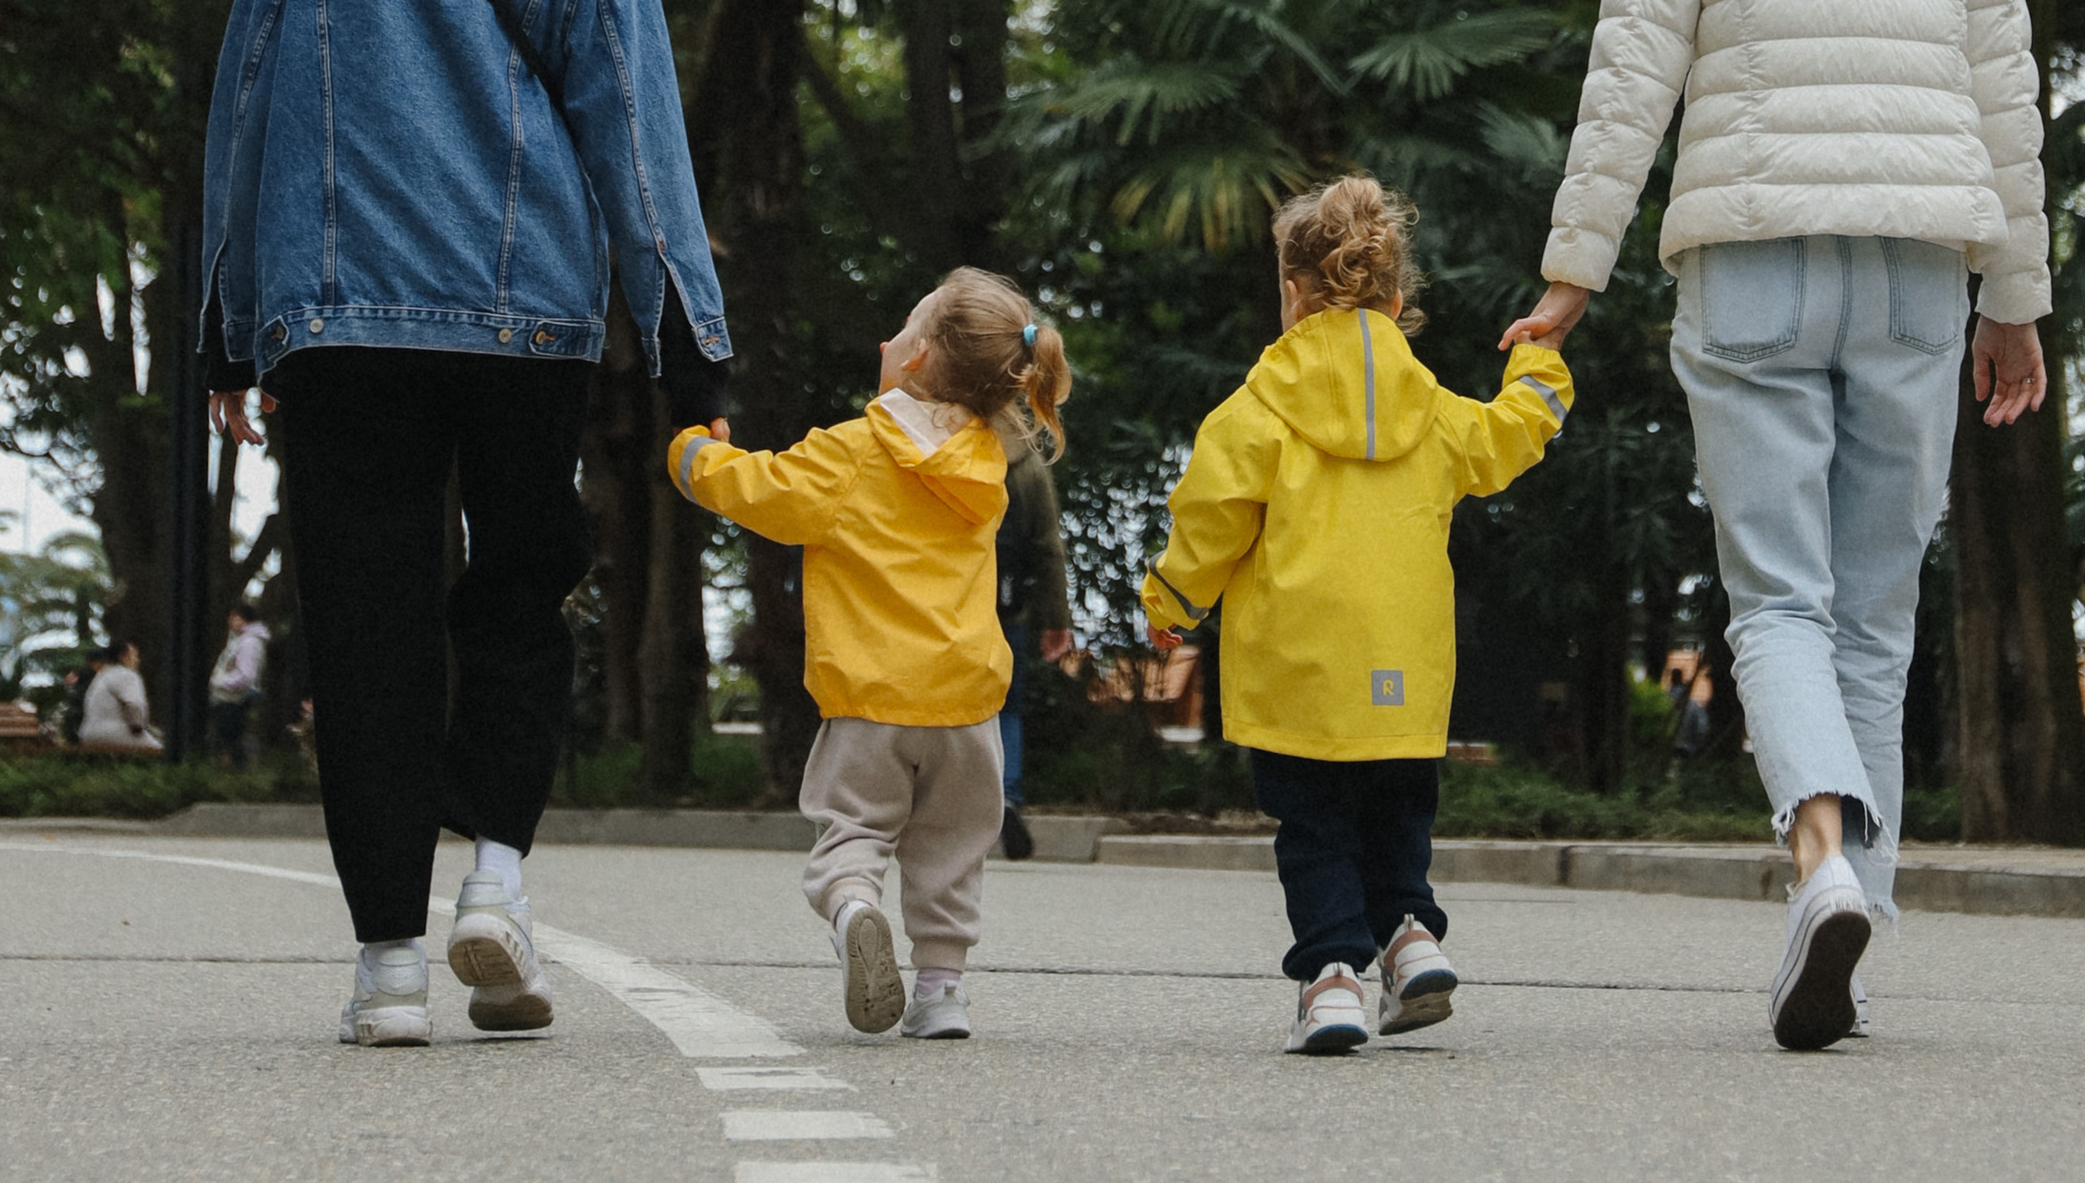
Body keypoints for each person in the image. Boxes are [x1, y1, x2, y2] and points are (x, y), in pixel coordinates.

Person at [1503, 0, 2052, 1055]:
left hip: (1750, 263)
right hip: (1920, 274)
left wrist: (1575, 273)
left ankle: (1819, 863)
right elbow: (2011, 108)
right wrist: (2018, 301)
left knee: (1780, 608)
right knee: (1873, 618)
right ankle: (1846, 937)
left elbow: (1631, 78)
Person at [200, 0, 730, 1051]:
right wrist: (692, 351)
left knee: (364, 632)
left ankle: (386, 968)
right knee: (518, 596)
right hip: (525, 327)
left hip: (340, 323)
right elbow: (640, 143)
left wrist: (225, 337)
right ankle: (495, 874)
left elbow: (242, 126)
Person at [1141, 176, 1572, 1055]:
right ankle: (1411, 939)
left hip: (1298, 670)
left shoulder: (1255, 411)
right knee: (1397, 816)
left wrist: (1172, 605)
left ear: (1293, 296)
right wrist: (1541, 354)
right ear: (1397, 299)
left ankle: (1332, 978)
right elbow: (1518, 430)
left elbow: (1210, 519)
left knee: (1314, 828)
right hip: (1405, 674)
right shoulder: (1438, 415)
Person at [671, 269, 1071, 1046]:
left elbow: (760, 488)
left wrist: (691, 455)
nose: (886, 340)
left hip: (869, 701)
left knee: (853, 830)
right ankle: (943, 991)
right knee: (953, 850)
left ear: (914, 359)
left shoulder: (855, 453)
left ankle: (856, 907)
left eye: (902, 329)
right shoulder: (988, 461)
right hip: (965, 703)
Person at [994, 438, 1076, 859]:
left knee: (945, 707)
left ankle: (943, 802)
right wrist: (1056, 621)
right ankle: (1005, 795)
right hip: (1009, 612)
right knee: (1006, 707)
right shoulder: (1024, 462)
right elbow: (1047, 546)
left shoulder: (937, 440)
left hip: (945, 610)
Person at [206, 607, 269, 770]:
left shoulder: (248, 642)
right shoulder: (240, 639)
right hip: (231, 697)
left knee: (233, 737)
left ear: (244, 619)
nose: (230, 621)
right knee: (232, 736)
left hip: (235, 697)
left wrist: (220, 681)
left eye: (234, 617)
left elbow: (245, 676)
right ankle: (236, 769)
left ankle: (238, 770)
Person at [77, 639, 162, 757]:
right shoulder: (127, 675)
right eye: (135, 656)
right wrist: (138, 728)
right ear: (124, 656)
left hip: (88, 734)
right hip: (115, 733)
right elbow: (134, 705)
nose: (138, 660)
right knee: (162, 754)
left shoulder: (101, 676)